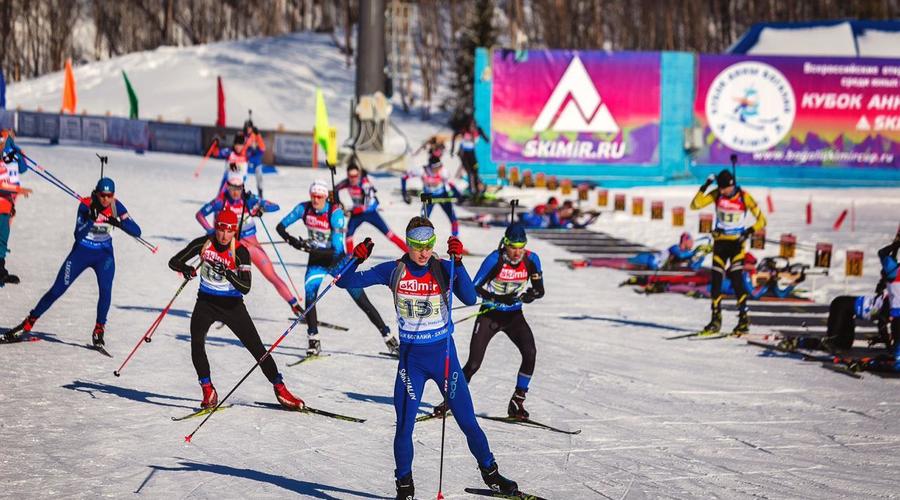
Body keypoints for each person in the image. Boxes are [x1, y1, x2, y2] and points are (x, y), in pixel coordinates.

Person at [336, 217, 521, 499]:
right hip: (412, 363)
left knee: (468, 422)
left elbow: (470, 298)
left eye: (429, 245)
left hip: (444, 360)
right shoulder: (394, 270)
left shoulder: (443, 268)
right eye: (417, 246)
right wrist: (355, 259)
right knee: (404, 427)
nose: (423, 252)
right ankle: (405, 487)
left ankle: (491, 474)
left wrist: (458, 263)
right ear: (407, 244)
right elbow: (344, 281)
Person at [168, 209, 304, 410]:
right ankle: (208, 390)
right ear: (216, 228)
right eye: (221, 230)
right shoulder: (204, 243)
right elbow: (173, 261)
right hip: (205, 302)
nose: (224, 235)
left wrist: (229, 274)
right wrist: (186, 269)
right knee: (196, 344)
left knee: (257, 349)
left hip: (232, 306)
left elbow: (246, 287)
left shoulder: (240, 251)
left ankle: (280, 389)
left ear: (234, 232)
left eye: (230, 231)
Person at [4, 178, 142, 346]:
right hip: (81, 253)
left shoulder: (116, 206)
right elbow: (78, 235)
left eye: (109, 195)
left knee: (106, 291)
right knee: (57, 290)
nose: (106, 199)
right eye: (102, 195)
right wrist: (91, 219)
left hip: (104, 255)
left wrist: (119, 223)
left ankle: (99, 329)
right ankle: (28, 323)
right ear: (97, 193)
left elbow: (137, 231)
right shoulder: (85, 205)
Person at [433, 223, 544, 419]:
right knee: (473, 364)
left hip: (514, 316)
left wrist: (529, 295)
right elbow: (474, 288)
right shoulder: (495, 259)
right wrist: (498, 298)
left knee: (530, 353)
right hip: (490, 315)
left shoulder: (532, 259)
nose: (517, 252)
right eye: (513, 247)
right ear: (505, 244)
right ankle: (450, 400)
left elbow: (539, 290)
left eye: (521, 247)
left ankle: (517, 401)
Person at [277, 180, 398, 356]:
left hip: (338, 262)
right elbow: (280, 227)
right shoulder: (304, 208)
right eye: (313, 196)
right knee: (310, 298)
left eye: (319, 196)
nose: (315, 200)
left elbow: (336, 248)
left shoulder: (335, 213)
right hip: (317, 262)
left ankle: (389, 338)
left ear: (326, 197)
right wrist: (293, 241)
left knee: (362, 301)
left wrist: (308, 247)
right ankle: (313, 340)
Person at [197, 172, 302, 316]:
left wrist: (260, 208)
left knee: (272, 275)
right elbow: (200, 215)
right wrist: (212, 231)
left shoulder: (249, 199)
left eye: (239, 188)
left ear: (243, 187)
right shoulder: (220, 201)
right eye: (232, 188)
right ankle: (221, 307)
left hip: (252, 246)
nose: (236, 192)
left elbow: (275, 207)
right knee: (227, 278)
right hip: (233, 248)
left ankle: (296, 307)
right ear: (227, 186)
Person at [690, 169, 766, 336]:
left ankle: (743, 320)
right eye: (722, 189)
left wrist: (748, 232)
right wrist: (706, 185)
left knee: (737, 280)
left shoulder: (744, 197)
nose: (725, 191)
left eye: (726, 188)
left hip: (736, 245)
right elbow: (695, 205)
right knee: (716, 281)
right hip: (720, 243)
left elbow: (762, 221)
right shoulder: (717, 194)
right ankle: (715, 320)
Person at [335, 159, 408, 254]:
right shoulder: (347, 182)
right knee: (348, 236)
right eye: (350, 176)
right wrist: (339, 203)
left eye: (355, 176)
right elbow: (335, 189)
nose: (353, 179)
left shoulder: (365, 184)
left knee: (389, 234)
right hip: (357, 214)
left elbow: (367, 205)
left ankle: (408, 252)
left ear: (359, 175)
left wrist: (352, 211)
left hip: (370, 213)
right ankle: (350, 258)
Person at [0, 134, 33, 286]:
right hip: (4, 201)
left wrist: (16, 149)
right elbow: (2, 186)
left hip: (7, 203)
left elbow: (23, 168)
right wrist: (20, 190)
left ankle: (1, 269)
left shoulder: (6, 160)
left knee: (3, 237)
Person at [401, 159, 462, 236]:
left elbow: (451, 184)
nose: (438, 169)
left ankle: (455, 237)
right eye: (436, 168)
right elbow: (404, 177)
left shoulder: (443, 171)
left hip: (442, 195)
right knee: (423, 220)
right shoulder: (422, 170)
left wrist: (458, 196)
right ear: (430, 167)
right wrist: (404, 193)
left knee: (453, 217)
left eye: (439, 167)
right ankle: (423, 237)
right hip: (428, 195)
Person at [877, 229, 900, 368]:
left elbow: (882, 253)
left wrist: (895, 245)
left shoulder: (892, 271)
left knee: (898, 341)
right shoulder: (893, 271)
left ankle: (897, 359)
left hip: (897, 314)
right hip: (897, 314)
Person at [451, 117, 490, 196]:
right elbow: (454, 135)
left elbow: (486, 139)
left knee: (476, 168)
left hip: (471, 153)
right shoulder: (464, 130)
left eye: (473, 126)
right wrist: (452, 149)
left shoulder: (478, 130)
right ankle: (472, 190)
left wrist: (487, 139)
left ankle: (478, 187)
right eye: (471, 127)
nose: (472, 128)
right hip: (463, 153)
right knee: (470, 172)